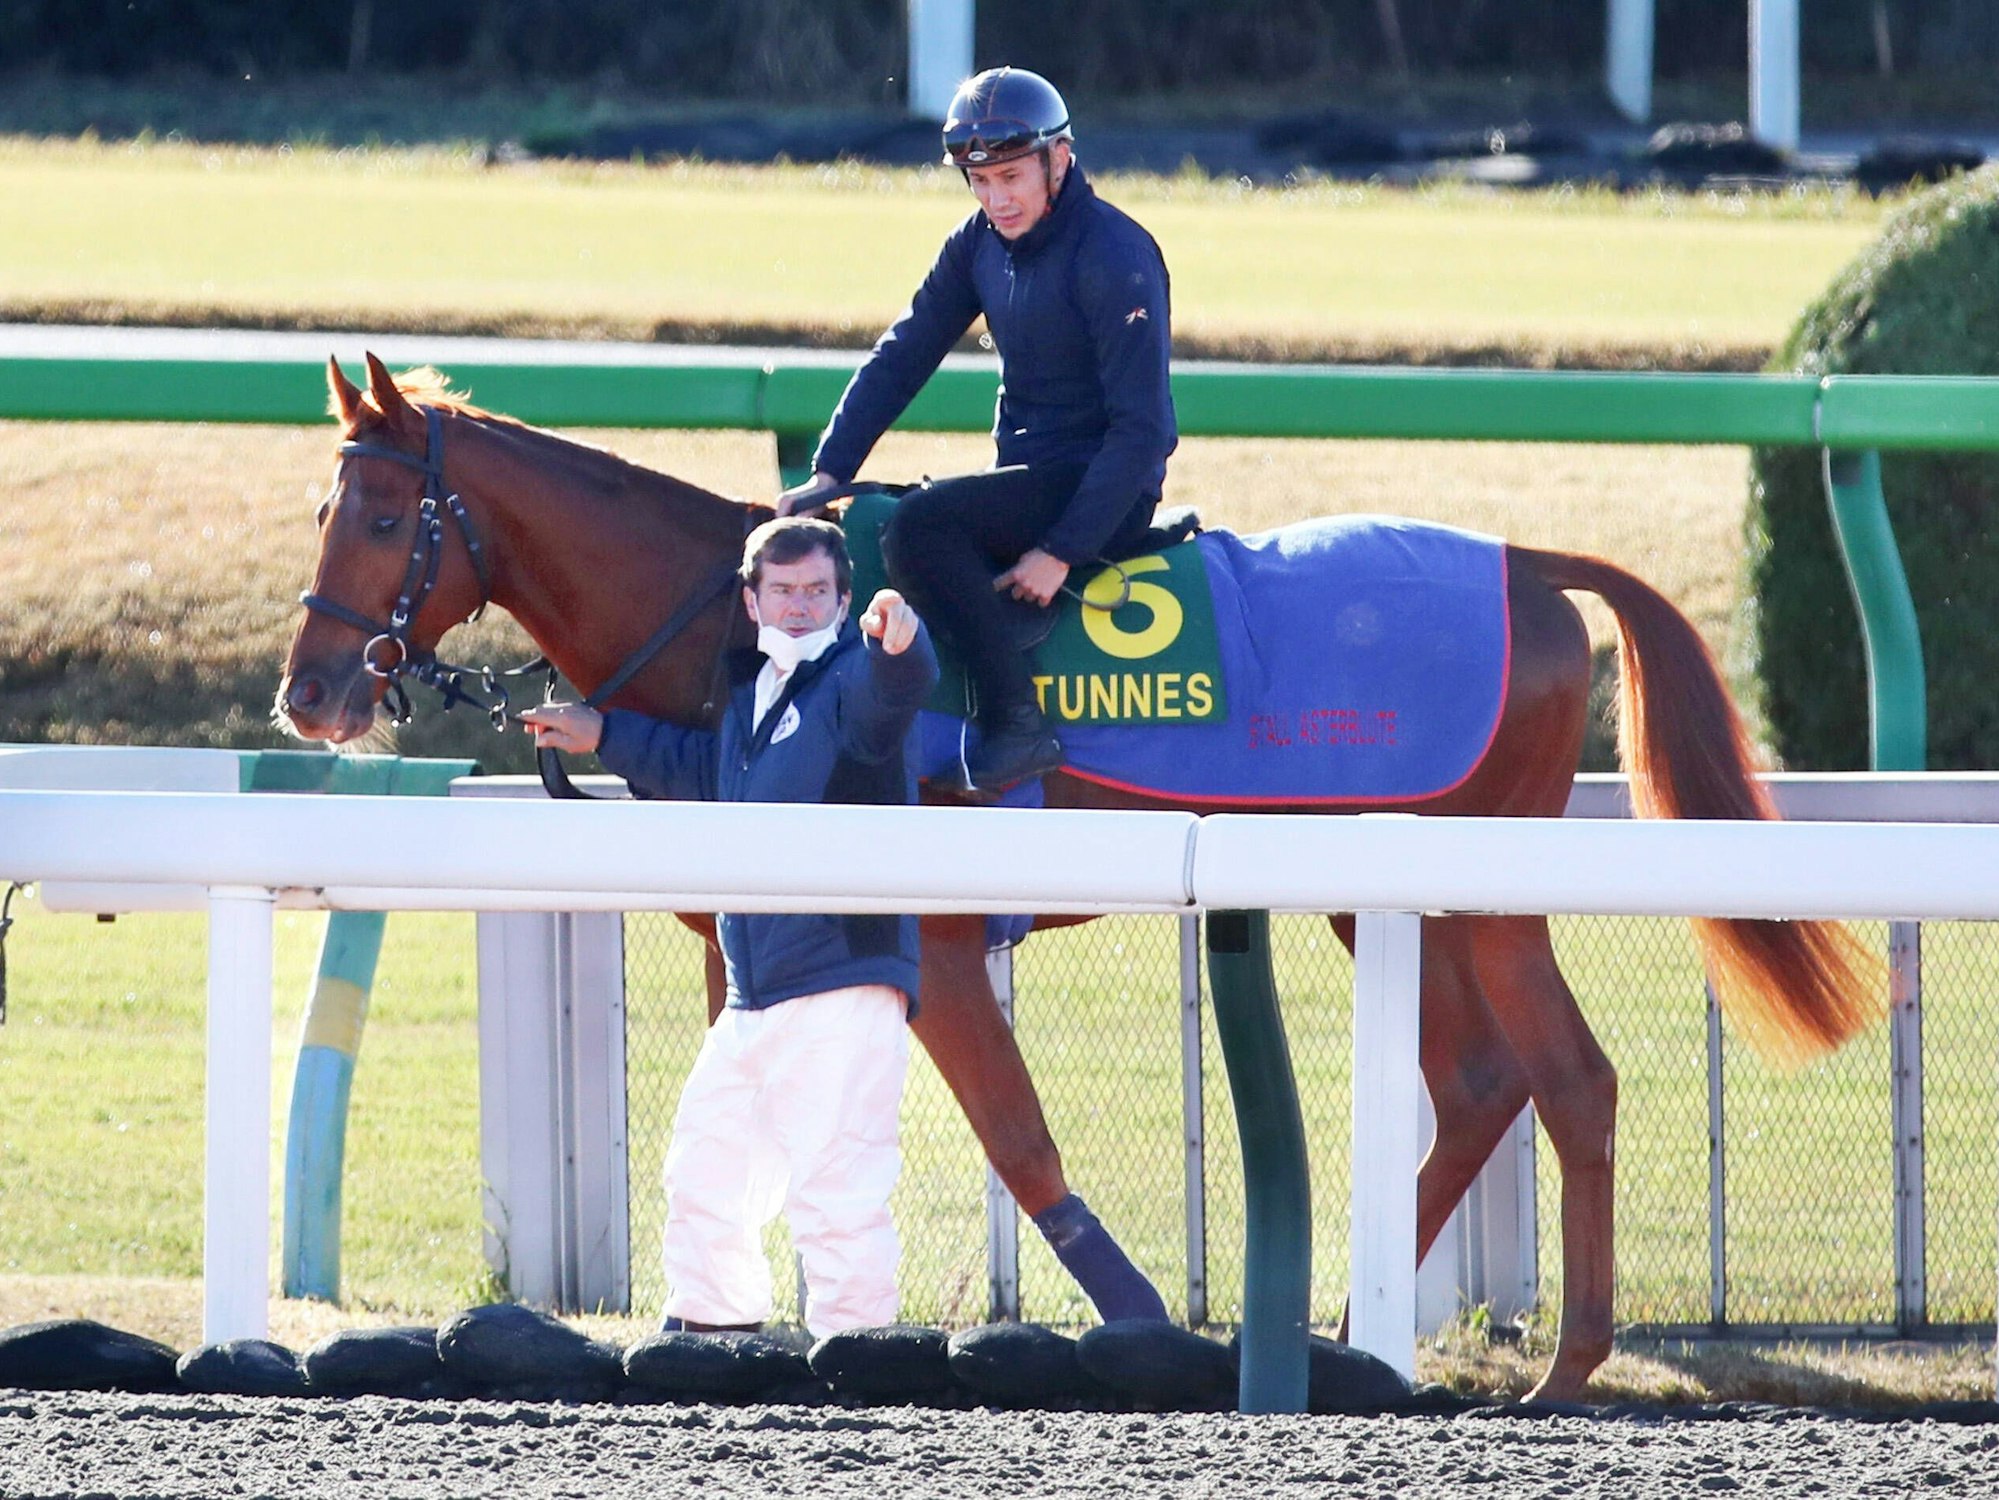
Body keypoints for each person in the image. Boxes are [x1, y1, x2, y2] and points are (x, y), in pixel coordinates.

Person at [520, 516, 938, 1338]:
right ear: (751, 601)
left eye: (817, 592)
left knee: (835, 1191)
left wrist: (901, 641)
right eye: (782, 591)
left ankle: (863, 1365)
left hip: (841, 987)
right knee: (703, 1171)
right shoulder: (754, 696)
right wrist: (600, 733)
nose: (798, 607)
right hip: (754, 993)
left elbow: (898, 690)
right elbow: (699, 771)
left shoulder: (854, 678)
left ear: (843, 599)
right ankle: (712, 1344)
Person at [777, 65, 1177, 795]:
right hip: (1029, 477)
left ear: (1060, 158)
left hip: (1103, 492)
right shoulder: (977, 243)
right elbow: (904, 353)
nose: (996, 199)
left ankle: (1017, 721)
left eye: (1012, 178)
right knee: (887, 513)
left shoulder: (1115, 254)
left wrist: (1061, 551)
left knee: (918, 528)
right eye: (979, 181)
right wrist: (830, 470)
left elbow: (1145, 432)